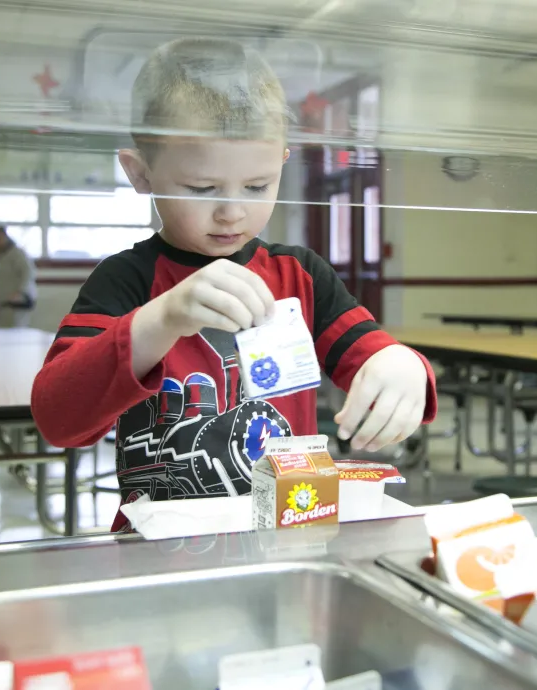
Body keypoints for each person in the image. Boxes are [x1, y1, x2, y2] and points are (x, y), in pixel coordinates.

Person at [31, 38, 437, 530]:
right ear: (140, 173)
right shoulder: (127, 281)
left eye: (257, 186)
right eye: (201, 189)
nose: (232, 211)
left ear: (283, 161)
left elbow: (370, 352)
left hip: (289, 538)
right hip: (159, 554)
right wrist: (161, 319)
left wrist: (401, 365)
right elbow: (59, 419)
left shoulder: (301, 275)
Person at [0, 225, 36, 328]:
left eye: (0, 237)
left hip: (17, 302)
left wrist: (20, 292)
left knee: (16, 330)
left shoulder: (17, 254)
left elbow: (28, 272)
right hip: (4, 303)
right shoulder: (0, 256)